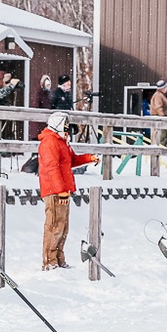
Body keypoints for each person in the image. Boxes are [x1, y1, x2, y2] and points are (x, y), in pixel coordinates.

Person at [37, 111, 99, 270]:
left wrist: (88, 158)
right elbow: (52, 168)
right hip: (54, 191)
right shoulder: (50, 142)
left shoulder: (61, 142)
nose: (67, 127)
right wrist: (60, 190)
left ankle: (59, 259)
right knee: (54, 226)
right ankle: (49, 261)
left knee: (63, 227)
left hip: (64, 189)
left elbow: (71, 161)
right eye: (65, 124)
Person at [149, 79, 167, 147]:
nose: (166, 89)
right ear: (162, 88)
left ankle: (160, 145)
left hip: (159, 117)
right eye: (165, 87)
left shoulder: (160, 95)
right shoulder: (158, 95)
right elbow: (158, 107)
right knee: (161, 135)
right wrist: (162, 117)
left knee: (160, 134)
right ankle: (160, 147)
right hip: (159, 117)